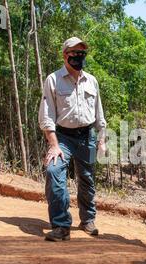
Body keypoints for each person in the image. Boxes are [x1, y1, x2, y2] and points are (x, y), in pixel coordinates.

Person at [38, 36, 107, 241]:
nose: (79, 57)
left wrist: (101, 138)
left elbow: (99, 113)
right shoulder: (53, 79)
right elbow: (46, 116)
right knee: (53, 171)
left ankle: (87, 220)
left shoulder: (91, 80)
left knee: (87, 179)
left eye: (82, 53)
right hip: (63, 137)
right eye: (74, 53)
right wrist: (54, 145)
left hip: (88, 137)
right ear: (65, 55)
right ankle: (61, 225)